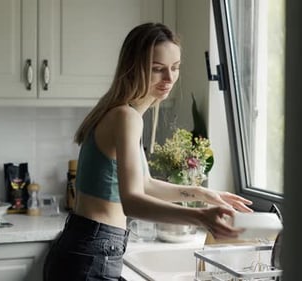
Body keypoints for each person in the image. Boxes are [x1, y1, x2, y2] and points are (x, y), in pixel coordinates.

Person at [43, 22, 253, 281]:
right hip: (92, 254)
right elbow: (132, 200)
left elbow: (144, 184)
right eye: (157, 69)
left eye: (175, 68)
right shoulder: (126, 117)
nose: (169, 79)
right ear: (134, 68)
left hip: (86, 248)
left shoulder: (122, 112)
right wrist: (200, 217)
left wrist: (202, 193)